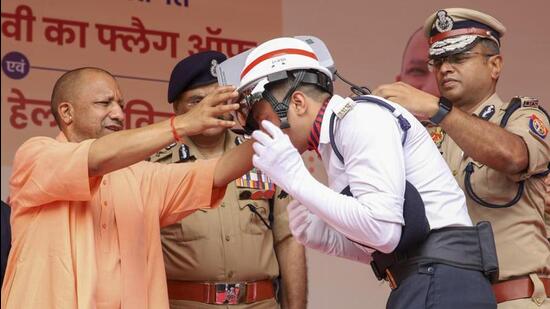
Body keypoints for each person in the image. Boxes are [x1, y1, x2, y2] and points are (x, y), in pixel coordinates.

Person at [237, 37, 498, 308]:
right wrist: (328, 238)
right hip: (425, 277)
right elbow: (390, 243)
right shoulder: (337, 134)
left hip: (442, 281)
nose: (264, 135)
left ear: (299, 103)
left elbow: (383, 232)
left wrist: (296, 178)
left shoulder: (361, 118)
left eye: (266, 122)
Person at [1, 67, 258, 309]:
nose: (118, 114)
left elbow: (219, 171)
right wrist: (183, 124)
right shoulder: (36, 156)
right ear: (67, 112)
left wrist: (278, 129)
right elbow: (96, 159)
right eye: (105, 103)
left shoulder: (140, 175)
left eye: (121, 106)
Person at [374, 8, 550, 308]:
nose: (445, 69)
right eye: (439, 60)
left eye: (459, 58)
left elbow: (513, 156)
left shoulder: (521, 117)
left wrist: (436, 108)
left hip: (512, 299)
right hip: (439, 297)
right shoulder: (421, 138)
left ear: (495, 65)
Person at [150, 51, 307, 309]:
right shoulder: (154, 164)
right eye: (197, 101)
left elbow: (289, 240)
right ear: (176, 109)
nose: (210, 108)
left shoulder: (263, 154)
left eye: (219, 99)